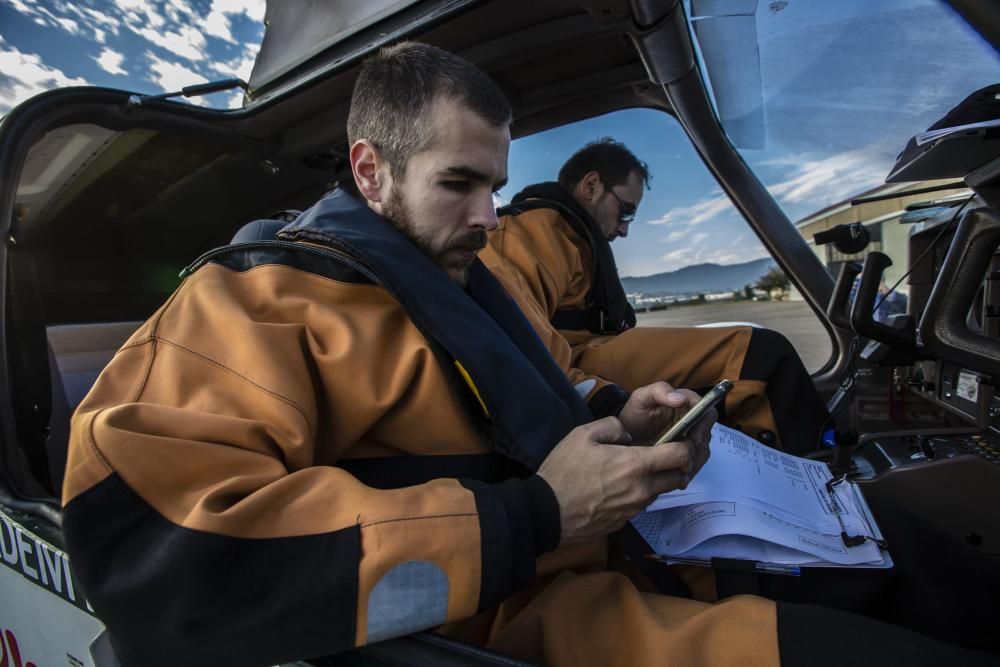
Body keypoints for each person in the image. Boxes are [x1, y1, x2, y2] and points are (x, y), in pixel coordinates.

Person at [60, 43, 999, 667]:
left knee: (917, 559)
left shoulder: (472, 284)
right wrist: (538, 514)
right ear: (367, 170)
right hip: (513, 611)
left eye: (496, 186)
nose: (488, 216)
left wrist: (610, 415)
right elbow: (162, 553)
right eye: (459, 183)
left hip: (630, 550)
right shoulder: (248, 303)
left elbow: (550, 382)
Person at [481, 139, 830, 453]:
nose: (625, 228)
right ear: (591, 186)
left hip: (591, 352)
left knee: (753, 339)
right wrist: (604, 401)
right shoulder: (533, 229)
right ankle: (819, 478)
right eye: (626, 210)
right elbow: (517, 336)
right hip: (574, 366)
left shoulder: (569, 234)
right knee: (761, 354)